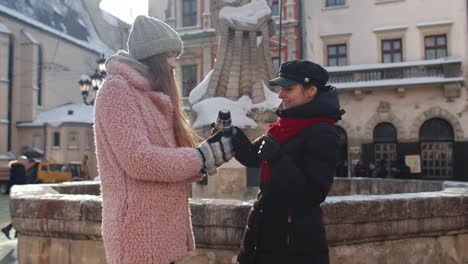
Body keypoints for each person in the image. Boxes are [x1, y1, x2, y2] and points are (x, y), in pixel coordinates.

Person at [93, 15, 233, 264]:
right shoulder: (117, 90)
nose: (173, 64)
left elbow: (166, 160)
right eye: (169, 55)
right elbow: (139, 160)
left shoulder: (152, 95)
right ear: (153, 56)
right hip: (139, 235)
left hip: (161, 232)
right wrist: (198, 158)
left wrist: (206, 158)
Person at [233, 60, 344, 264]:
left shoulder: (324, 132)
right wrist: (232, 135)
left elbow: (313, 194)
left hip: (294, 245)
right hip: (262, 237)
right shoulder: (285, 125)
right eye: (281, 88)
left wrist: (277, 159)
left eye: (288, 89)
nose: (281, 95)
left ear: (311, 90)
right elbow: (252, 156)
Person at [1, 156, 29, 239]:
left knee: (20, 213)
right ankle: (12, 231)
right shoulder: (20, 168)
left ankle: (13, 231)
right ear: (22, 161)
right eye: (26, 161)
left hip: (15, 193)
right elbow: (21, 182)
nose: (27, 163)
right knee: (21, 213)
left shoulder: (15, 168)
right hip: (20, 193)